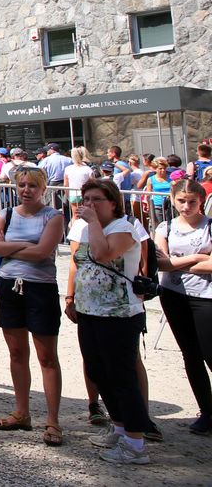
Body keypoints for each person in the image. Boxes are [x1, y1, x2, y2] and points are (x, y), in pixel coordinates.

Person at [65, 178, 152, 464]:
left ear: (113, 203)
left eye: (96, 200)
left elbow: (103, 255)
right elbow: (79, 264)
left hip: (119, 314)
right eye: (85, 199)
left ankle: (136, 443)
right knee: (98, 371)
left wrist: (91, 222)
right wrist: (72, 299)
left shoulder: (125, 228)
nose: (88, 205)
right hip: (90, 311)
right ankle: (119, 426)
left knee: (122, 375)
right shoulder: (88, 228)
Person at [0, 167, 65, 445]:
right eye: (22, 185)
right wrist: (23, 246)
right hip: (9, 286)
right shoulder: (5, 215)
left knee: (47, 357)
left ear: (43, 189)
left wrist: (9, 245)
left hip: (40, 289)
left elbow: (44, 251)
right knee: (17, 353)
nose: (26, 190)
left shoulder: (53, 217)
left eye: (32, 185)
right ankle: (22, 412)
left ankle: (53, 420)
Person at [153, 179, 212, 435]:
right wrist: (199, 257)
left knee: (210, 353)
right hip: (174, 294)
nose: (186, 206)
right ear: (173, 200)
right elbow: (161, 263)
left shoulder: (209, 227)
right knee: (191, 354)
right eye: (181, 201)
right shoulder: (165, 227)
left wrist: (179, 262)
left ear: (201, 201)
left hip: (206, 296)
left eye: (192, 202)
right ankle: (206, 411)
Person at [64, 147, 95, 218]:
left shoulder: (68, 169)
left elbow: (65, 184)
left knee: (75, 216)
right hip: (85, 193)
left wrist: (67, 195)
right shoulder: (88, 169)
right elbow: (94, 183)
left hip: (73, 193)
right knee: (87, 215)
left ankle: (74, 228)